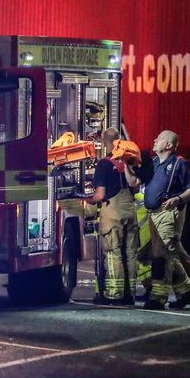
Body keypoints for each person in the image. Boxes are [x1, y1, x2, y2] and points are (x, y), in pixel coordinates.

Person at [141, 130, 190, 310]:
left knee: (161, 256)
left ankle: (158, 297)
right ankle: (188, 291)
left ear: (168, 145)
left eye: (159, 139)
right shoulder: (153, 163)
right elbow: (134, 181)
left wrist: (178, 199)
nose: (154, 140)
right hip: (152, 214)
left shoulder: (180, 164)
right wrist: (129, 163)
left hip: (169, 214)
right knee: (172, 253)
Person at [86, 128, 140, 305]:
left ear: (104, 139)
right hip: (130, 211)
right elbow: (135, 187)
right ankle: (129, 294)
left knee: (112, 252)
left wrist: (89, 199)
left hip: (113, 212)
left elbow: (100, 195)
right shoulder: (128, 161)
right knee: (130, 253)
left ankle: (113, 294)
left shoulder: (104, 164)